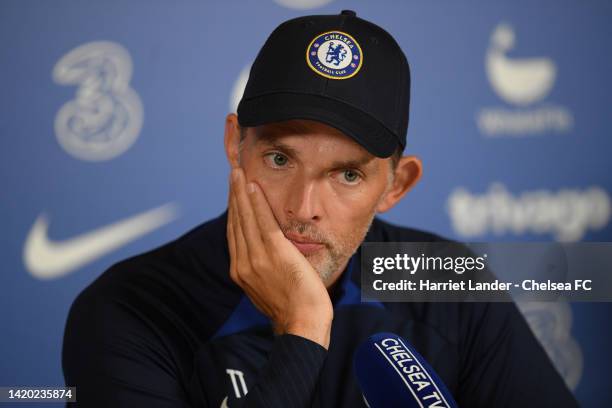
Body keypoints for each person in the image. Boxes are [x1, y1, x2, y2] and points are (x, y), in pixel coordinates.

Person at [62, 10, 578, 407]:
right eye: (280, 158)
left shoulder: (447, 284)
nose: (304, 207)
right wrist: (303, 327)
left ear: (396, 185)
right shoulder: (128, 310)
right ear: (233, 146)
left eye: (347, 175)